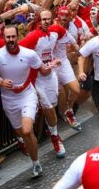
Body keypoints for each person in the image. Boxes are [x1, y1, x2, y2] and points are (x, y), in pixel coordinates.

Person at [0, 25, 45, 178]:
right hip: (9, 99)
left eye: (13, 37)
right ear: (3, 38)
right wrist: (1, 83)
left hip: (27, 95)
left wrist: (53, 66)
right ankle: (30, 144)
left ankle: (36, 163)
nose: (10, 40)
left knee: (26, 130)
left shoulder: (29, 54)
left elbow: (42, 69)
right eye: (7, 37)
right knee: (21, 133)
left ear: (17, 36)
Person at [19, 9, 68, 158]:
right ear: (39, 21)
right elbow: (18, 51)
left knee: (51, 108)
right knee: (47, 107)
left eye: (49, 19)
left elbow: (66, 38)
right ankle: (55, 138)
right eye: (43, 19)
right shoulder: (33, 36)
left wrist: (57, 60)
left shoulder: (55, 33)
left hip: (51, 76)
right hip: (37, 78)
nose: (46, 21)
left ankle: (50, 132)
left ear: (53, 19)